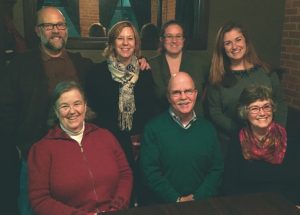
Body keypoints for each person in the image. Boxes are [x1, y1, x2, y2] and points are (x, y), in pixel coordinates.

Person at [0, 6, 93, 215]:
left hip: (73, 154)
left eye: (60, 25)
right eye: (48, 25)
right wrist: (18, 143)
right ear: (37, 31)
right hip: (34, 153)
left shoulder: (81, 64)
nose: (56, 30)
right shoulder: (20, 66)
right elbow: (5, 109)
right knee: (31, 208)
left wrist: (139, 60)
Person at [28, 81, 132, 215]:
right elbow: (39, 200)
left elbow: (125, 175)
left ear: (85, 106)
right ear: (55, 110)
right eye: (64, 106)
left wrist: (115, 210)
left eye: (77, 104)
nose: (72, 111)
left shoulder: (105, 136)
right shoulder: (41, 149)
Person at [85, 20, 156, 206]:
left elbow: (151, 110)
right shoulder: (96, 73)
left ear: (136, 43)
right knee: (112, 195)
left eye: (130, 38)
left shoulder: (145, 72)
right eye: (120, 38)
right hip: (108, 143)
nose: (125, 43)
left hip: (138, 144)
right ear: (112, 42)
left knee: (140, 193)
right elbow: (92, 112)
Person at [139, 72, 224, 205]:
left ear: (196, 94)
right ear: (168, 97)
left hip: (203, 205)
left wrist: (197, 198)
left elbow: (217, 169)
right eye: (176, 92)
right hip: (164, 206)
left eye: (188, 91)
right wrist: (176, 199)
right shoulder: (153, 129)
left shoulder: (208, 129)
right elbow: (150, 173)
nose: (183, 97)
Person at [206, 21, 287, 157]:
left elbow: (281, 102)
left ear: (246, 42)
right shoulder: (217, 79)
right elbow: (215, 112)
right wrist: (243, 133)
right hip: (232, 144)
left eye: (238, 40)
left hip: (268, 143)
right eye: (228, 43)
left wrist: (276, 132)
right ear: (222, 48)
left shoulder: (266, 72)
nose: (234, 46)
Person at [223, 85, 299, 203]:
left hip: (282, 205)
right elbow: (229, 183)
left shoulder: (289, 137)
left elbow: (296, 181)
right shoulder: (237, 139)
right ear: (245, 112)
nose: (262, 113)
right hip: (247, 205)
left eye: (266, 107)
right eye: (255, 108)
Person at [149, 20, 210, 116]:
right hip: (162, 121)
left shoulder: (200, 63)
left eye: (178, 36)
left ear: (183, 40)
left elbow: (211, 88)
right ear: (162, 39)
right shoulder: (151, 65)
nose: (174, 41)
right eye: (169, 36)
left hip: (196, 120)